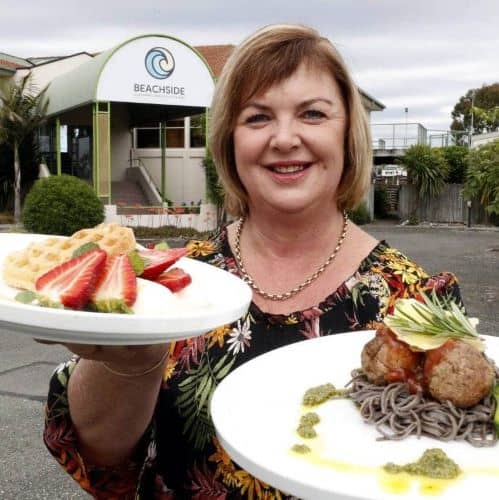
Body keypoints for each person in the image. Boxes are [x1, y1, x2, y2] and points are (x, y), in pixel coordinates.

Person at [43, 24, 462, 499]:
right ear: (229, 141)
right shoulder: (174, 285)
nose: (285, 139)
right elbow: (102, 458)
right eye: (258, 118)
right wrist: (131, 360)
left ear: (348, 133)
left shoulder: (418, 303)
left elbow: (453, 469)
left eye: (312, 114)